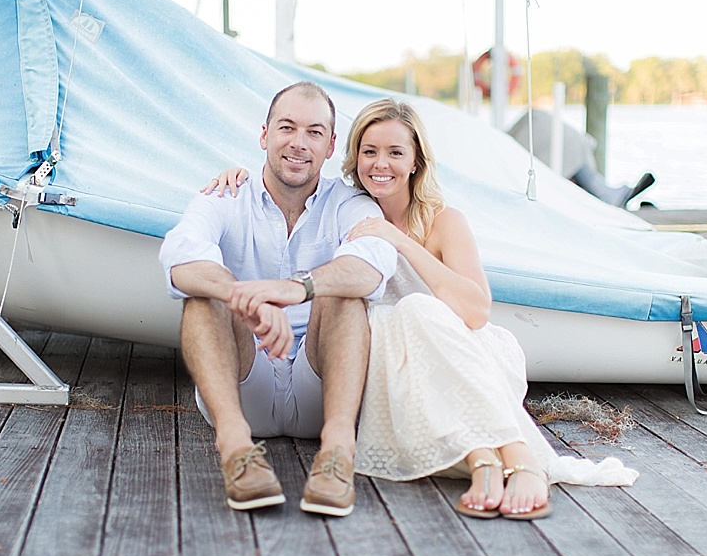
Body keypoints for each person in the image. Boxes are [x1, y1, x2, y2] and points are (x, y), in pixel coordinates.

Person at [206, 97, 638, 520]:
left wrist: (400, 242)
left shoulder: (444, 220)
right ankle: (483, 458)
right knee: (392, 317)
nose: (381, 164)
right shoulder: (347, 211)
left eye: (396, 153)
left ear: (416, 161)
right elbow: (291, 184)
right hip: (399, 368)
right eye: (369, 152)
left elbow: (476, 311)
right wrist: (240, 177)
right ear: (353, 157)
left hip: (462, 353)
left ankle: (516, 455)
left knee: (415, 310)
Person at [159, 82, 397, 517]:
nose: (298, 143)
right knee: (202, 294)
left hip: (320, 384)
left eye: (314, 132)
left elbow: (373, 265)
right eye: (287, 128)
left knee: (345, 291)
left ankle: (338, 451)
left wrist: (296, 288)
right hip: (244, 382)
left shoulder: (350, 203)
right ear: (265, 134)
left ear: (329, 146)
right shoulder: (227, 195)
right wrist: (247, 299)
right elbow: (179, 258)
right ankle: (235, 451)